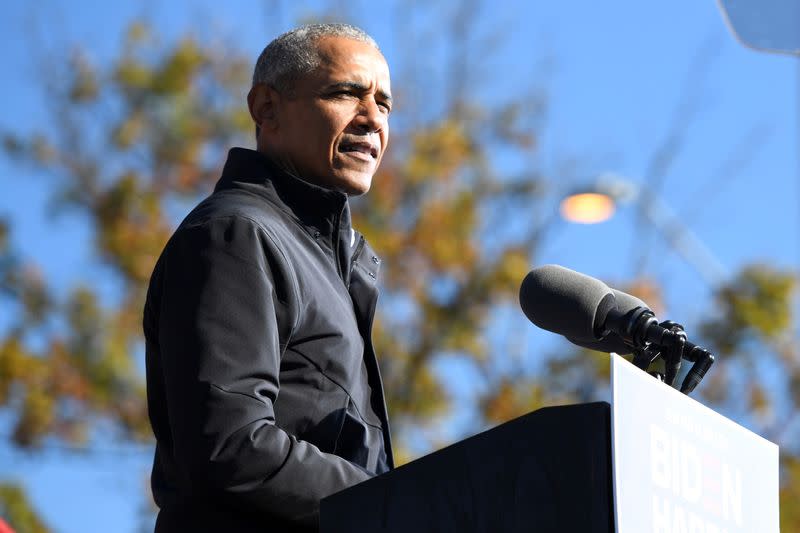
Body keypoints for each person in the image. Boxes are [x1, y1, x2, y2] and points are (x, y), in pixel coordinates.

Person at [143, 23, 394, 532]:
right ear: (266, 108)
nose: (372, 119)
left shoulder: (332, 265)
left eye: (384, 103)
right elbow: (230, 446)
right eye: (346, 93)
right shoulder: (236, 234)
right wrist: (398, 504)